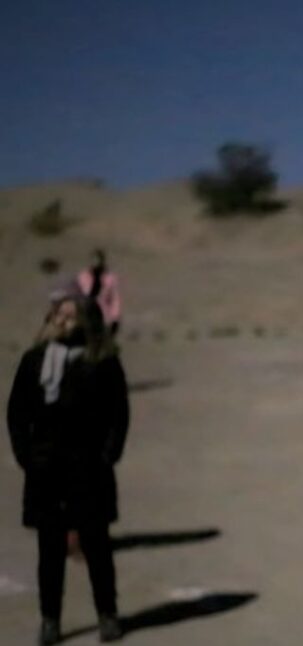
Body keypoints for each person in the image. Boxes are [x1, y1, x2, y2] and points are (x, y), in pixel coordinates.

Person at [7, 296, 129, 644]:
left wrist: (107, 456)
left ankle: (108, 615)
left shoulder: (102, 363)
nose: (62, 321)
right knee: (49, 552)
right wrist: (26, 457)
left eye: (70, 315)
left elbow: (118, 415)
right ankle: (50, 620)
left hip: (89, 468)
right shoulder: (34, 361)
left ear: (87, 321)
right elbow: (17, 413)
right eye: (59, 314)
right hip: (46, 470)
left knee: (97, 548)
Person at [76, 249, 122, 336]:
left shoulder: (110, 278)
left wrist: (115, 318)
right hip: (85, 313)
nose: (95, 263)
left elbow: (115, 300)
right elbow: (78, 295)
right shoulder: (83, 276)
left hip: (102, 316)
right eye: (93, 260)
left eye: (97, 260)